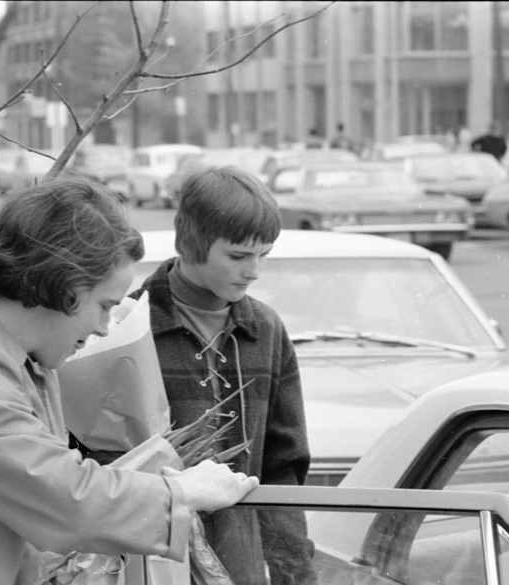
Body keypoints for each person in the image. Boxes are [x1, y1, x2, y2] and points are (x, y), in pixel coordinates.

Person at [0, 178, 259, 585]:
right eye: (105, 306)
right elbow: (66, 500)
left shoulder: (5, 355)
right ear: (65, 287)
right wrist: (182, 491)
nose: (105, 328)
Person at [113, 166, 316, 584]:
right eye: (239, 256)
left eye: (264, 255)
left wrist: (293, 573)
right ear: (191, 243)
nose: (254, 271)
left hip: (242, 564)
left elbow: (284, 466)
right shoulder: (125, 325)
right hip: (149, 562)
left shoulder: (266, 330)